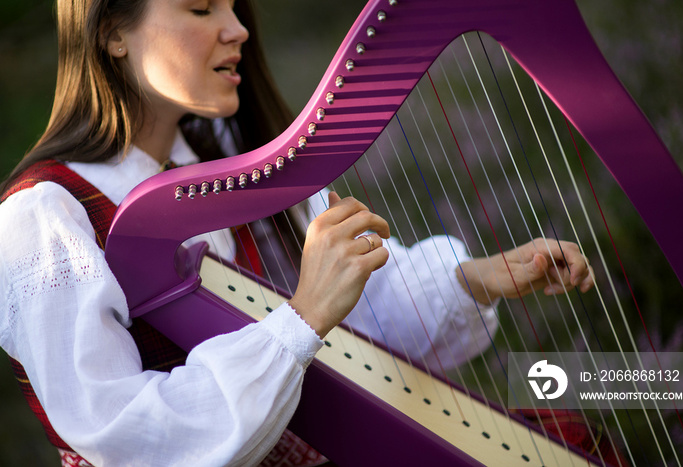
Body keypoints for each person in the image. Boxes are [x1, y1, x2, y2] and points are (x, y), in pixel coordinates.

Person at [0, 0, 595, 466]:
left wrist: (476, 278)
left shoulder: (231, 162)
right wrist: (301, 318)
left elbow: (363, 329)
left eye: (234, 8)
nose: (238, 30)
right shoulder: (45, 218)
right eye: (203, 8)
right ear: (111, 33)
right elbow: (122, 438)